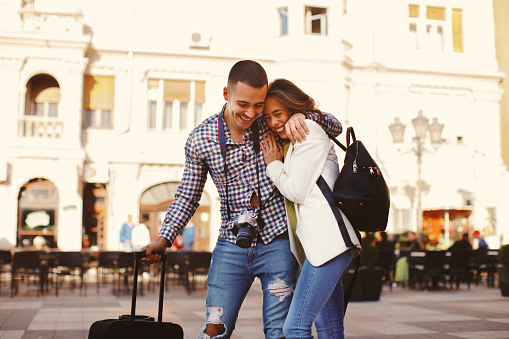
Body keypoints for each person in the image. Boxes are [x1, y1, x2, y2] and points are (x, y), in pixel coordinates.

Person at [141, 60, 343, 338]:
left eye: (258, 105)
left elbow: (335, 126)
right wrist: (164, 238)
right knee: (215, 329)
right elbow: (188, 194)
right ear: (226, 94)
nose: (251, 113)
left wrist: (305, 117)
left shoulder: (271, 121)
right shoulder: (202, 138)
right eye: (244, 104)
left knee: (278, 332)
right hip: (231, 245)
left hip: (278, 243)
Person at [261, 78, 361, 339]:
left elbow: (296, 190)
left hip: (327, 244)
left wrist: (273, 164)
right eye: (268, 117)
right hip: (323, 246)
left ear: (293, 108)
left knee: (294, 327)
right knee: (330, 328)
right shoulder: (296, 137)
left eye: (278, 114)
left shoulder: (308, 130)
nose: (274, 122)